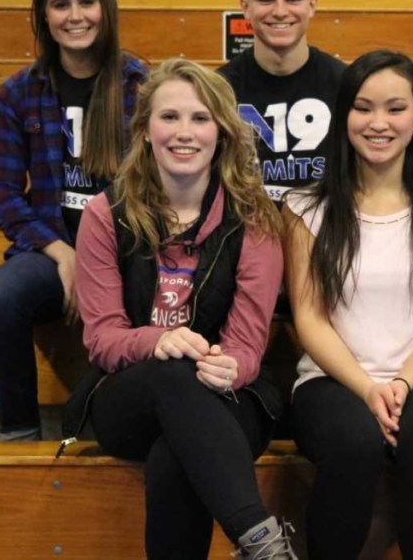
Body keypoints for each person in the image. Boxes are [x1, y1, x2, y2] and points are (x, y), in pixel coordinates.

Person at [75, 59, 297, 559]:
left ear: (221, 131)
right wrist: (159, 341)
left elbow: (248, 341)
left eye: (200, 119)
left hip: (230, 398)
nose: (184, 133)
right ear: (145, 130)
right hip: (129, 396)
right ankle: (263, 542)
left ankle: (263, 546)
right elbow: (103, 338)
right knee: (172, 370)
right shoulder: (104, 215)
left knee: (176, 455)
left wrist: (230, 365)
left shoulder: (256, 218)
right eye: (169, 117)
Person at [284, 50, 413, 560]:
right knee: (354, 445)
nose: (378, 123)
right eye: (363, 107)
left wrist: (401, 384)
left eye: (395, 108)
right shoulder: (306, 208)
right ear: (344, 114)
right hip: (331, 379)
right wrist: (367, 388)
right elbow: (309, 317)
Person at [0, 0, 148, 441]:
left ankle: (128, 431)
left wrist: (96, 261)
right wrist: (64, 255)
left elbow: (158, 190)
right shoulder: (18, 93)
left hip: (128, 252)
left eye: (87, 2)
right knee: (1, 297)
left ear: (106, 9)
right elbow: (4, 197)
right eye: (61, 5)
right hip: (51, 249)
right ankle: (18, 435)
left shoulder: (140, 85)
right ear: (44, 18)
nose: (76, 16)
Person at [218, 0, 345, 202]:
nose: (280, 11)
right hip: (245, 238)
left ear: (312, 5)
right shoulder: (217, 90)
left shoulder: (347, 85)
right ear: (245, 8)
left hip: (325, 238)